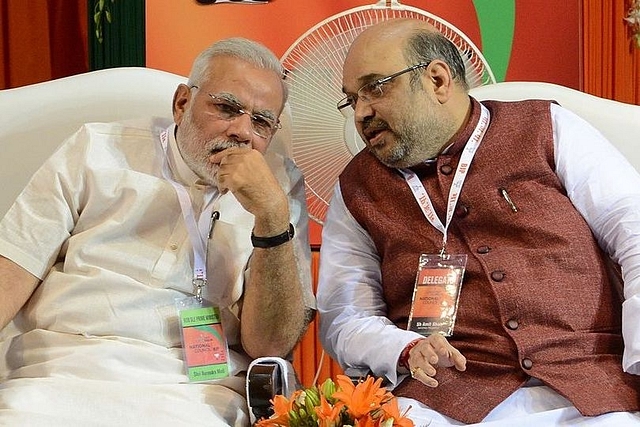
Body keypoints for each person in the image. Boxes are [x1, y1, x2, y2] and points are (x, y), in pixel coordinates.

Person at [317, 18, 640, 426]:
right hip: (444, 398)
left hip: (590, 386)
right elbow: (344, 317)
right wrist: (404, 349)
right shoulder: (356, 188)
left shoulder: (549, 129)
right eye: (352, 99)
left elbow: (634, 232)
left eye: (376, 88)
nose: (361, 112)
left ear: (436, 80)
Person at [0, 37, 315, 425]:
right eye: (227, 108)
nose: (242, 132)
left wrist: (271, 218)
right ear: (182, 103)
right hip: (60, 371)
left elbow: (271, 345)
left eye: (261, 121)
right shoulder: (94, 150)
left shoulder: (279, 185)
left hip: (197, 394)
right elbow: (10, 274)